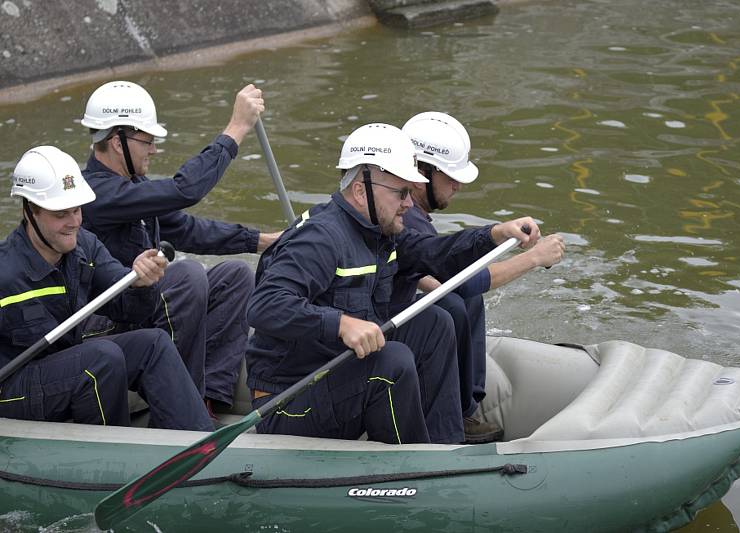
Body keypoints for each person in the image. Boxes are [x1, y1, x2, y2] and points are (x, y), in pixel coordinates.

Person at [246, 123, 538, 445]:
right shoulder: (320, 239)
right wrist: (342, 324)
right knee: (392, 362)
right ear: (361, 190)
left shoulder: (379, 233)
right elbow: (264, 306)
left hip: (334, 372)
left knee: (434, 322)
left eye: (410, 193)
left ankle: (446, 447)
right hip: (289, 402)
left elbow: (435, 252)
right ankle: (412, 468)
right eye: (401, 193)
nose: (409, 204)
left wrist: (494, 234)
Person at [78, 80, 281, 421]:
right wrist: (236, 128)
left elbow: (186, 228)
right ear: (117, 142)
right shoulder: (93, 193)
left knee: (235, 276)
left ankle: (207, 399)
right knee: (186, 275)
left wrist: (260, 241)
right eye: (148, 141)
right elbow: (185, 189)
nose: (154, 150)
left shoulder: (134, 188)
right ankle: (178, 407)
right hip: (104, 323)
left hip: (139, 306)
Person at [0, 146, 212, 431]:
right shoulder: (6, 271)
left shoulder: (85, 246)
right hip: (15, 388)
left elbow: (130, 310)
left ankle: (200, 445)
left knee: (153, 343)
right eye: (61, 213)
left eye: (77, 210)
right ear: (30, 211)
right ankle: (116, 459)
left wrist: (138, 283)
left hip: (67, 363)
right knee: (100, 359)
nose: (74, 222)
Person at [396, 112, 566, 443]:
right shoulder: (405, 220)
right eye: (450, 177)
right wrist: (533, 258)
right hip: (375, 331)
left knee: (461, 300)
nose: (458, 185)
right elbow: (462, 282)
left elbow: (437, 272)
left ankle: (463, 407)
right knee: (454, 305)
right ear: (420, 173)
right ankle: (450, 420)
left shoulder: (409, 216)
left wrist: (496, 236)